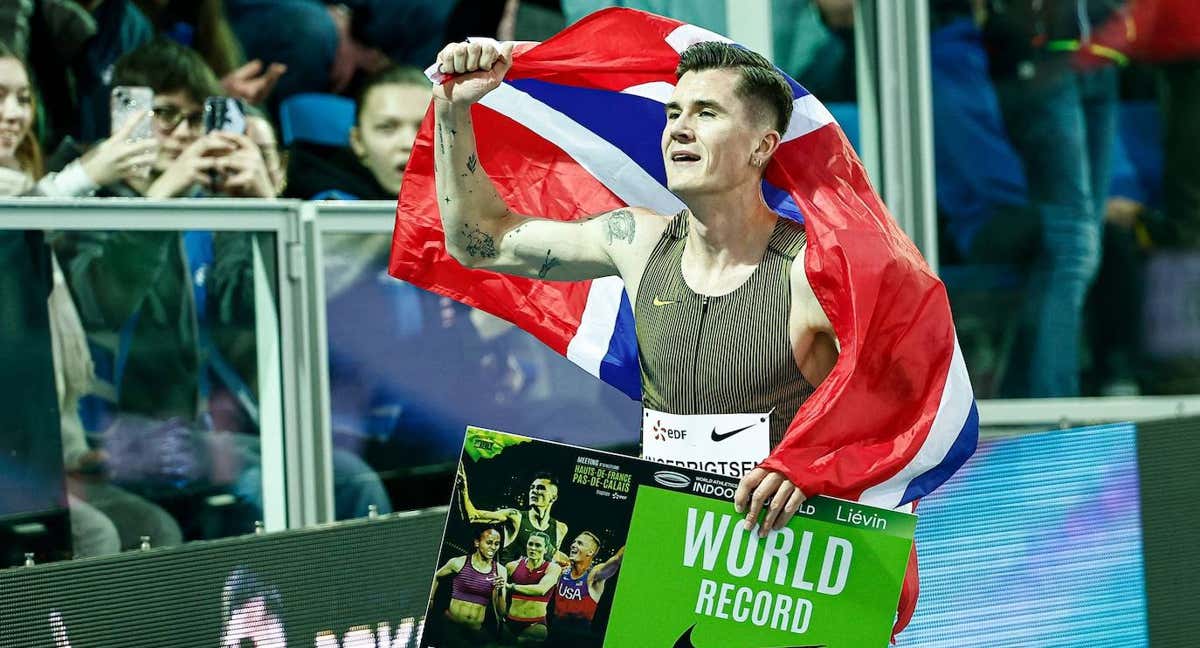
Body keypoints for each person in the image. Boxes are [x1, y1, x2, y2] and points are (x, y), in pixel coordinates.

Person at [431, 39, 835, 533]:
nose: (679, 129)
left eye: (706, 113)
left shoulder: (811, 269)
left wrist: (811, 464)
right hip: (667, 540)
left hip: (783, 553)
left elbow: (895, 408)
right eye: (673, 113)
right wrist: (452, 110)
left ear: (762, 146)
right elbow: (478, 242)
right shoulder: (637, 241)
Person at [980, 0, 1123, 397]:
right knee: (1074, 247)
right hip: (1041, 57)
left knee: (1080, 250)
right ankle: (1055, 410)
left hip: (1101, 53)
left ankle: (1024, 396)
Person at [458, 466, 569, 564]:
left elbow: (553, 559)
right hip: (507, 585)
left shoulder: (560, 528)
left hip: (535, 587)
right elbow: (472, 516)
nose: (534, 491)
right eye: (532, 488)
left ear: (553, 497)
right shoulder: (515, 517)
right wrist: (463, 490)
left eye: (541, 488)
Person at [430, 526, 509, 646]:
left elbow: (502, 612)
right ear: (477, 542)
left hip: (474, 632)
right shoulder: (459, 562)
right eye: (489, 542)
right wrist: (430, 599)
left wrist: (499, 591)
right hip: (452, 626)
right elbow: (436, 576)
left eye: (497, 544)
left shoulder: (500, 571)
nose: (493, 547)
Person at [549, 533, 622, 645]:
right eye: (574, 542)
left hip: (578, 640)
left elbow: (616, 559)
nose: (573, 545)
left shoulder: (593, 576)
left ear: (590, 552)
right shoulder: (562, 569)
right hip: (554, 635)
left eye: (579, 543)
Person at [502, 531, 561, 644]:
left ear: (546, 549)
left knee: (521, 643)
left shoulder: (553, 568)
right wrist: (501, 614)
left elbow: (541, 589)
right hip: (509, 621)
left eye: (538, 545)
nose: (533, 548)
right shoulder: (512, 566)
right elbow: (499, 591)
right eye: (530, 544)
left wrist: (511, 587)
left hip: (535, 623)